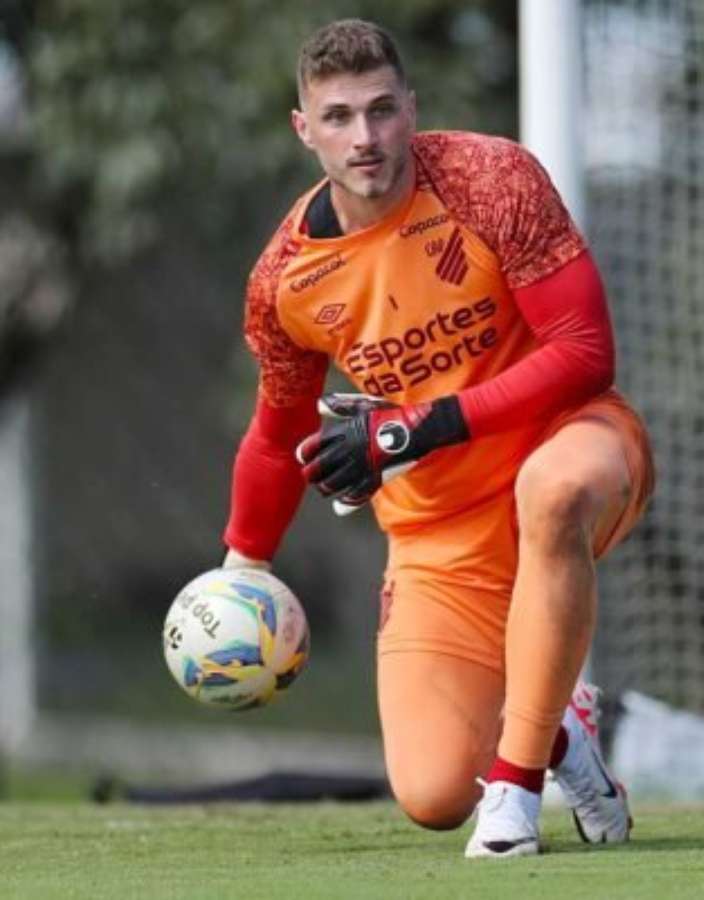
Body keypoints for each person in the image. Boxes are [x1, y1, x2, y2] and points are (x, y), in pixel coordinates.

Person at [219, 18, 654, 859]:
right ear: (304, 130)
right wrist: (243, 569)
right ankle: (560, 730)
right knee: (432, 793)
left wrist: (416, 429)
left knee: (554, 489)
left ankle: (517, 795)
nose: (365, 136)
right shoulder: (284, 280)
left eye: (382, 110)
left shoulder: (491, 180)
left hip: (573, 442)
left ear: (411, 110)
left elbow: (585, 353)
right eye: (339, 117)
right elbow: (277, 435)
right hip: (437, 531)